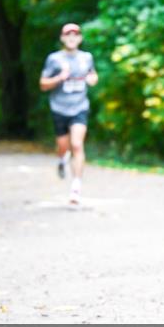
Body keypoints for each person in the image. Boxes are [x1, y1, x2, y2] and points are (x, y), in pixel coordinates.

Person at [39, 23, 98, 205]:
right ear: (62, 38)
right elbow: (43, 84)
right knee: (63, 147)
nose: (72, 38)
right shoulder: (54, 59)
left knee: (77, 144)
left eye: (75, 35)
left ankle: (76, 187)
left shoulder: (86, 58)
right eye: (68, 35)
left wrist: (92, 79)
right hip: (59, 108)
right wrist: (59, 78)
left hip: (80, 107)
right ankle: (62, 159)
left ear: (80, 38)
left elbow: (93, 76)